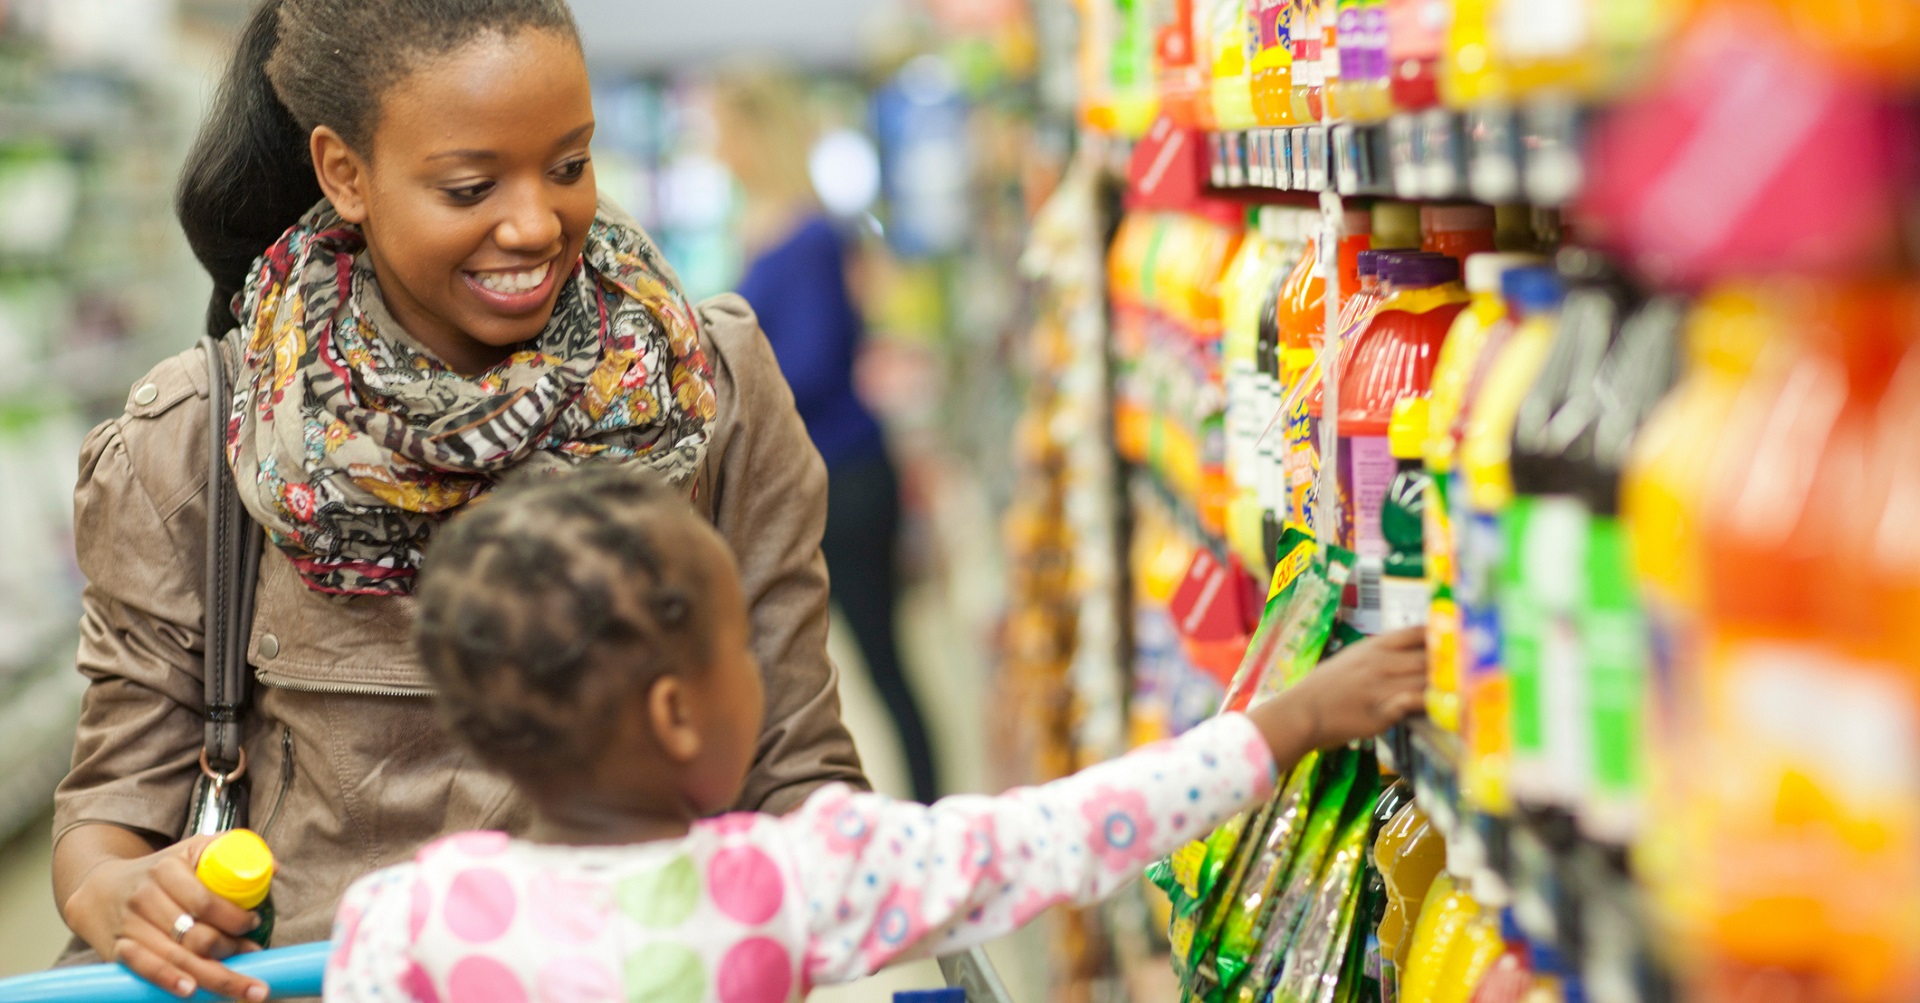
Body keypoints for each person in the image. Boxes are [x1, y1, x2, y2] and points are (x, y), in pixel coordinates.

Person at [52, 3, 869, 1000]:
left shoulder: (711, 391)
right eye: (471, 186)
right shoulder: (199, 435)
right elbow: (108, 817)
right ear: (344, 172)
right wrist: (121, 892)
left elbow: (801, 772)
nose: (535, 224)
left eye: (569, 165)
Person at [322, 468, 1429, 1002]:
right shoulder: (792, 878)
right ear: (676, 712)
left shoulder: (400, 919)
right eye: (738, 651)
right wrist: (1285, 724)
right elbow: (1061, 834)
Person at [711, 73, 939, 804]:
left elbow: (807, 363)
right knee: (846, 665)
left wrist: (724, 386)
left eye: (723, 129)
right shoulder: (772, 228)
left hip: (846, 477)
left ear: (754, 133)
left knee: (882, 665)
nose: (714, 146)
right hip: (828, 471)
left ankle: (931, 814)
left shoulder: (805, 236)